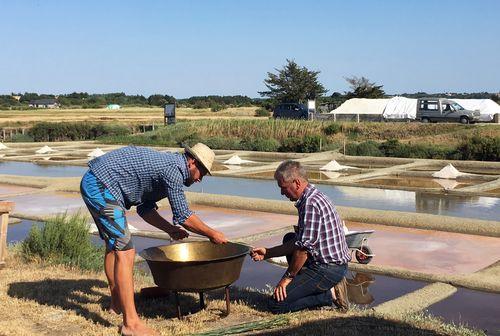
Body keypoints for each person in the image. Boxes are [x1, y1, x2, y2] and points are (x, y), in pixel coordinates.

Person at [80, 143, 227, 336]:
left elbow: (145, 209)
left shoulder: (170, 168)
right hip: (101, 186)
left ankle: (116, 304)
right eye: (202, 173)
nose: (200, 179)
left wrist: (170, 229)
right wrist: (212, 234)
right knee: (125, 251)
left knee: (114, 246)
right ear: (192, 162)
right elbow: (184, 215)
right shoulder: (174, 170)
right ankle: (130, 324)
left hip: (97, 183)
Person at [251, 160, 350, 314]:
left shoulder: (310, 203)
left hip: (328, 269)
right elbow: (299, 241)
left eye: (283, 188)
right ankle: (310, 289)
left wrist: (287, 278)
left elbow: (303, 249)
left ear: (296, 183)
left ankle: (327, 296)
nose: (282, 193)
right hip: (326, 263)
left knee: (275, 305)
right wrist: (268, 252)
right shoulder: (311, 196)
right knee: (290, 237)